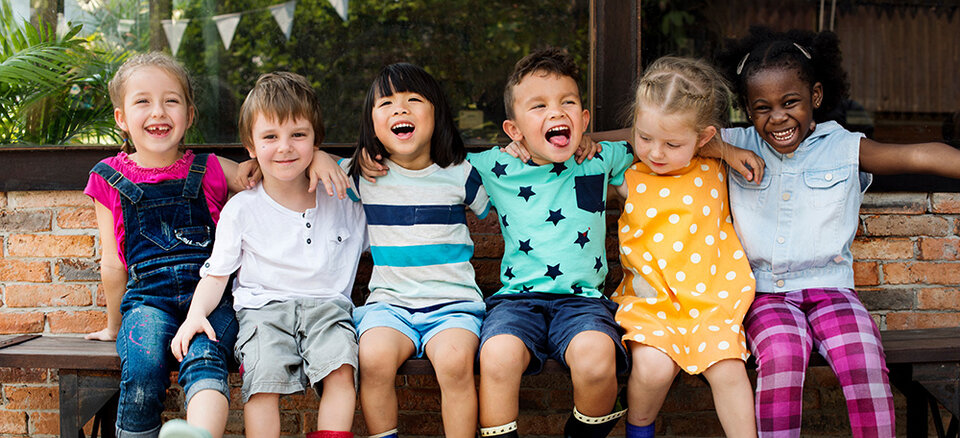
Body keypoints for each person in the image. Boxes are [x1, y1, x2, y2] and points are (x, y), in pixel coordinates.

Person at [716, 26, 960, 437]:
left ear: (815, 96)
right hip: (765, 294)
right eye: (762, 107)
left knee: (865, 358)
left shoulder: (844, 146)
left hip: (832, 290)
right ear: (746, 108)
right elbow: (668, 137)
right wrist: (723, 149)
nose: (777, 117)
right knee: (781, 356)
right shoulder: (735, 142)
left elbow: (918, 153)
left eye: (789, 101)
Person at [170, 72, 367, 438]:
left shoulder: (344, 195)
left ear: (316, 140)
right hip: (262, 309)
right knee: (263, 382)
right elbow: (217, 275)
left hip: (328, 307)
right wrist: (195, 314)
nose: (285, 147)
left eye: (299, 135)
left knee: (342, 369)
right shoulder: (243, 208)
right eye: (270, 137)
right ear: (251, 146)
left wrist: (329, 161)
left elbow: (382, 163)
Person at [83, 52, 247, 438]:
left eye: (171, 100)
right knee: (142, 364)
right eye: (143, 101)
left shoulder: (211, 169)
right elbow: (113, 263)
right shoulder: (107, 177)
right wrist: (113, 326)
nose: (158, 112)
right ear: (121, 118)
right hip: (147, 303)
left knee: (206, 356)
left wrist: (321, 159)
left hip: (210, 300)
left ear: (189, 115)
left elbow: (274, 172)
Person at [610, 57, 757, 438]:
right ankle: (638, 431)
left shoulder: (715, 169)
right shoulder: (629, 177)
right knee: (652, 368)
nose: (656, 153)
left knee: (730, 371)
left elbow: (723, 149)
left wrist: (725, 152)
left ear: (704, 138)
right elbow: (592, 148)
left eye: (672, 143)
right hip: (652, 304)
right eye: (644, 138)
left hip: (712, 301)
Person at [343, 63, 489, 438]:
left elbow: (500, 205)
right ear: (371, 122)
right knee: (372, 359)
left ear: (436, 113)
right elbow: (307, 164)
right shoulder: (362, 176)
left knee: (456, 363)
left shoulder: (461, 174)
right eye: (386, 103)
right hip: (390, 305)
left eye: (413, 100)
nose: (400, 110)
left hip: (453, 304)